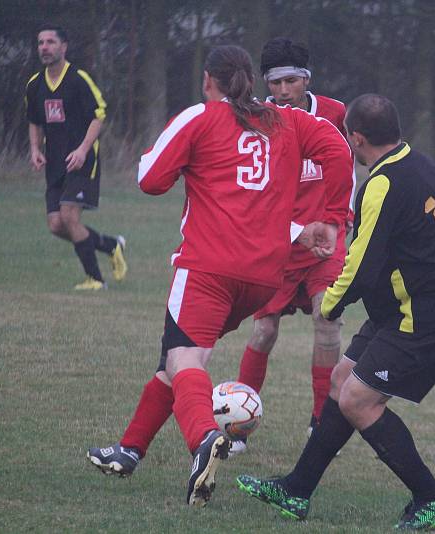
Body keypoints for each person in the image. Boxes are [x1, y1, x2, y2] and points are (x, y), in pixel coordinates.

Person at [86, 45, 352, 507]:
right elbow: (337, 150)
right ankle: (128, 450)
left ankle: (204, 438)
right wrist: (331, 217)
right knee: (175, 358)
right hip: (263, 276)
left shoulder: (203, 116)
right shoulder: (286, 120)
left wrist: (186, 163)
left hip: (208, 267)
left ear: (208, 80)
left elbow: (148, 179)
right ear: (255, 79)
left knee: (184, 361)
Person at [236, 94, 435, 530]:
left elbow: (361, 265)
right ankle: (296, 490)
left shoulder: (380, 185)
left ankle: (431, 496)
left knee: (359, 400)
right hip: (405, 307)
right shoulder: (422, 163)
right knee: (341, 381)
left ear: (356, 138)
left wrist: (328, 304)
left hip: (427, 313)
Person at [233, 38, 356, 454]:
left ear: (306, 79)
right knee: (264, 330)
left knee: (327, 320)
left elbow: (355, 165)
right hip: (278, 242)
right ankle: (238, 423)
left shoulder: (337, 115)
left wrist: (343, 221)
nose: (283, 91)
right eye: (275, 83)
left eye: (291, 81)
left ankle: (321, 421)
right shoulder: (257, 120)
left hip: (327, 238)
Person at [25, 25, 126, 290]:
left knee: (70, 218)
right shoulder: (35, 85)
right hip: (55, 164)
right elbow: (34, 121)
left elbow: (99, 114)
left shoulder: (78, 79)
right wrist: (35, 149)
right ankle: (110, 245)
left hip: (82, 161)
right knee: (56, 225)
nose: (44, 47)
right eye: (40, 43)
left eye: (50, 42)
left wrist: (83, 149)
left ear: (64, 47)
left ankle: (96, 280)